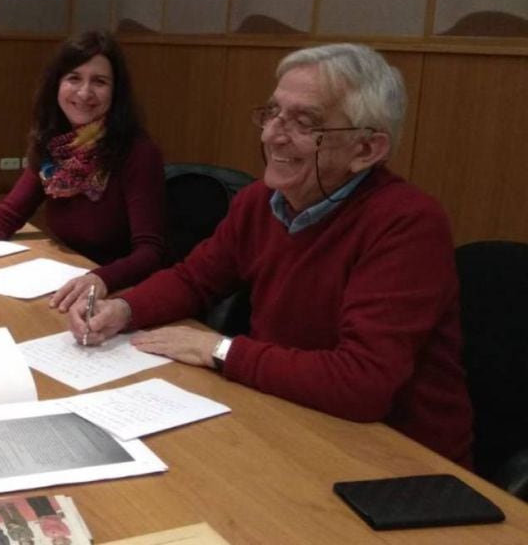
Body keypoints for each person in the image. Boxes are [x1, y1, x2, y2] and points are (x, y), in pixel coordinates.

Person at [67, 43, 473, 466]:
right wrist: (124, 309)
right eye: (273, 113)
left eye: (304, 122)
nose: (271, 135)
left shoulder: (407, 223)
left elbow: (362, 382)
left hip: (398, 461)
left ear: (366, 150)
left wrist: (220, 350)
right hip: (287, 416)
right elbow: (195, 278)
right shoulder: (261, 201)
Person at [0, 30, 166, 309]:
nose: (85, 92)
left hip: (116, 295)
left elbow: (150, 253)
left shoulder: (138, 153)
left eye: (100, 81)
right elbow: (6, 217)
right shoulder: (57, 146)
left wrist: (100, 279)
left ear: (116, 92)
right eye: (73, 78)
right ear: (56, 85)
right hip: (66, 282)